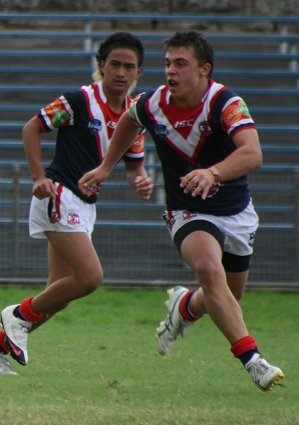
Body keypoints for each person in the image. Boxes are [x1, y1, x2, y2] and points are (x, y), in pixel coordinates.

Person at [77, 31, 284, 392]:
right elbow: (129, 120)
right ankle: (254, 361)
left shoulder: (225, 103)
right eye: (168, 63)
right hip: (187, 212)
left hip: (236, 213)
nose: (170, 71)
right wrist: (109, 166)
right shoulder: (153, 103)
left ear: (205, 70)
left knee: (226, 296)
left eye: (180, 63)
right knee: (208, 268)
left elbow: (253, 154)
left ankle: (185, 306)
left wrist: (213, 172)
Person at [0, 32, 153, 374]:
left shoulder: (135, 115)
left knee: (58, 296)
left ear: (139, 73)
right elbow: (31, 128)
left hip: (85, 205)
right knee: (90, 277)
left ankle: (1, 343)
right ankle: (16, 315)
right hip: (60, 194)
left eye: (129, 67)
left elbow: (133, 165)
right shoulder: (79, 100)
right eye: (114, 64)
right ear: (102, 65)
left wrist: (140, 180)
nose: (121, 72)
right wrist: (38, 177)